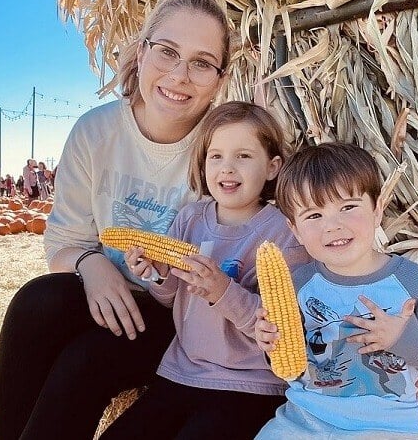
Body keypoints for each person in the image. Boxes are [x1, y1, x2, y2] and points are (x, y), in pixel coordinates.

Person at [0, 0, 234, 440]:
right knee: (35, 302)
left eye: (202, 62)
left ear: (219, 79)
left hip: (177, 318)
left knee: (86, 360)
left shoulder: (222, 148)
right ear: (142, 53)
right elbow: (63, 240)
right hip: (103, 292)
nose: (179, 76)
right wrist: (92, 264)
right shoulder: (95, 131)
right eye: (167, 52)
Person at [101, 102, 310, 439]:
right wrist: (157, 272)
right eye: (216, 156)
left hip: (248, 386)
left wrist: (222, 291)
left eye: (243, 156)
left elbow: (284, 324)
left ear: (272, 167)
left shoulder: (284, 233)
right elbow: (169, 299)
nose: (227, 168)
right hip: (180, 373)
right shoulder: (190, 219)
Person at [254, 143, 418, 440]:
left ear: (377, 209)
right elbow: (290, 370)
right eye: (313, 215)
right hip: (303, 421)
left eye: (347, 207)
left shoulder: (410, 281)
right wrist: (272, 346)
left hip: (385, 428)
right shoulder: (299, 284)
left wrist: (403, 338)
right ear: (294, 229)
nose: (332, 225)